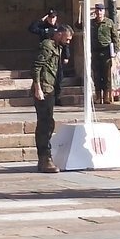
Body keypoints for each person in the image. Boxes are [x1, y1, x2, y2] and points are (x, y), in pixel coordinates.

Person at [31, 24, 73, 173]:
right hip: (44, 88)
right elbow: (36, 67)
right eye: (67, 39)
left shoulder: (58, 47)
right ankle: (45, 158)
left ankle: (45, 157)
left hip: (51, 88)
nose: (68, 42)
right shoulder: (47, 46)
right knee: (45, 123)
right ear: (60, 34)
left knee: (49, 123)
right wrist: (38, 88)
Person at [28, 9, 70, 105]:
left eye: (53, 17)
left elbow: (65, 44)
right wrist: (41, 20)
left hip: (56, 56)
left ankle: (57, 98)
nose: (52, 19)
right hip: (46, 56)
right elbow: (32, 29)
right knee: (46, 76)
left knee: (58, 77)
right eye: (50, 17)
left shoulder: (60, 29)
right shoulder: (43, 27)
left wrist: (66, 56)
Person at [89, 4, 119, 105]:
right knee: (97, 75)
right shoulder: (91, 23)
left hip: (106, 52)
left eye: (101, 10)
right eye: (97, 10)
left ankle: (106, 97)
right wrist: (83, 13)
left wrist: (115, 52)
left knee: (107, 76)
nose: (99, 13)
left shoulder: (109, 22)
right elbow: (78, 25)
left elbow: (115, 38)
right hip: (95, 51)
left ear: (104, 11)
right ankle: (98, 97)